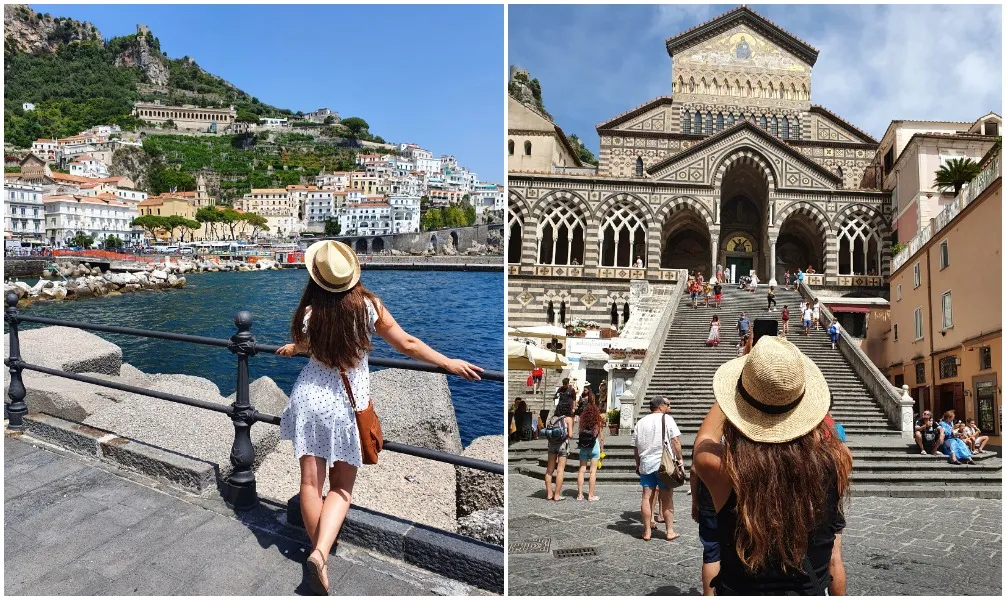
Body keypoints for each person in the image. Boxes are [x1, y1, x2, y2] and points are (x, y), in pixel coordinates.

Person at [275, 240, 483, 594]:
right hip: (345, 405)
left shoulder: (311, 313)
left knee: (310, 484)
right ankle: (321, 554)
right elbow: (408, 344)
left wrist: (296, 347)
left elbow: (313, 342)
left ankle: (317, 557)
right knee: (341, 487)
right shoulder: (369, 307)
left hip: (309, 398)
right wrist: (448, 362)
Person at [692, 336, 851, 595]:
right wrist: (793, 392)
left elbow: (705, 439)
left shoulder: (720, 469)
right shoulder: (837, 461)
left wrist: (746, 379)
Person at [632, 396, 682, 541]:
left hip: (646, 463)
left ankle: (647, 531)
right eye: (667, 404)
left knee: (646, 497)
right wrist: (679, 459)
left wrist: (638, 464)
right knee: (667, 498)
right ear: (660, 407)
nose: (668, 407)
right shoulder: (667, 419)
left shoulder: (640, 422)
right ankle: (669, 531)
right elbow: (676, 440)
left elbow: (635, 448)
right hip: (663, 465)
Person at [692, 465, 720, 596]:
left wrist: (695, 501)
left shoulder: (704, 443)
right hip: (737, 499)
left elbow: (694, 470)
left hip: (709, 499)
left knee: (711, 549)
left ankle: (709, 595)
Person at [544, 399, 575, 500]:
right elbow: (570, 435)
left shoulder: (553, 418)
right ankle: (556, 495)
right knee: (560, 471)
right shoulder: (568, 419)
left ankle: (549, 494)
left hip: (552, 445)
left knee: (549, 471)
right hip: (562, 446)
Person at [576, 399, 604, 502]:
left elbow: (579, 433)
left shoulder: (582, 421)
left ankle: (579, 495)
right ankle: (590, 495)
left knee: (582, 470)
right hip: (594, 446)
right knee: (593, 472)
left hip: (583, 446)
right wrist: (602, 449)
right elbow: (601, 437)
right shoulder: (598, 421)